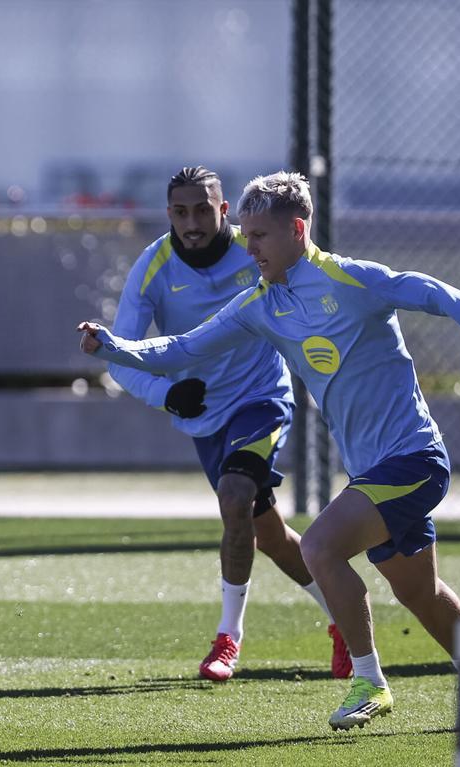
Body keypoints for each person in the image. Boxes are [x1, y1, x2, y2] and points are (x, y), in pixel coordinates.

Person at [79, 171, 460, 730]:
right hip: (373, 471)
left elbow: (442, 296)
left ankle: (370, 683)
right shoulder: (260, 304)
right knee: (420, 592)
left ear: (298, 230)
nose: (247, 247)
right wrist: (115, 346)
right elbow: (179, 349)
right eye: (245, 234)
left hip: (415, 459)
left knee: (321, 546)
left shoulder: (352, 280)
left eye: (259, 236)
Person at [105, 166, 349, 683]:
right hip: (202, 415)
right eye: (180, 211)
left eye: (202, 209)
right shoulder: (154, 266)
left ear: (223, 211)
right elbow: (121, 355)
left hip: (261, 399)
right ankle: (344, 619)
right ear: (168, 213)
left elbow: (313, 289)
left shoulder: (256, 247)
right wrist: (167, 393)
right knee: (266, 530)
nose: (192, 221)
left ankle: (228, 638)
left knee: (235, 497)